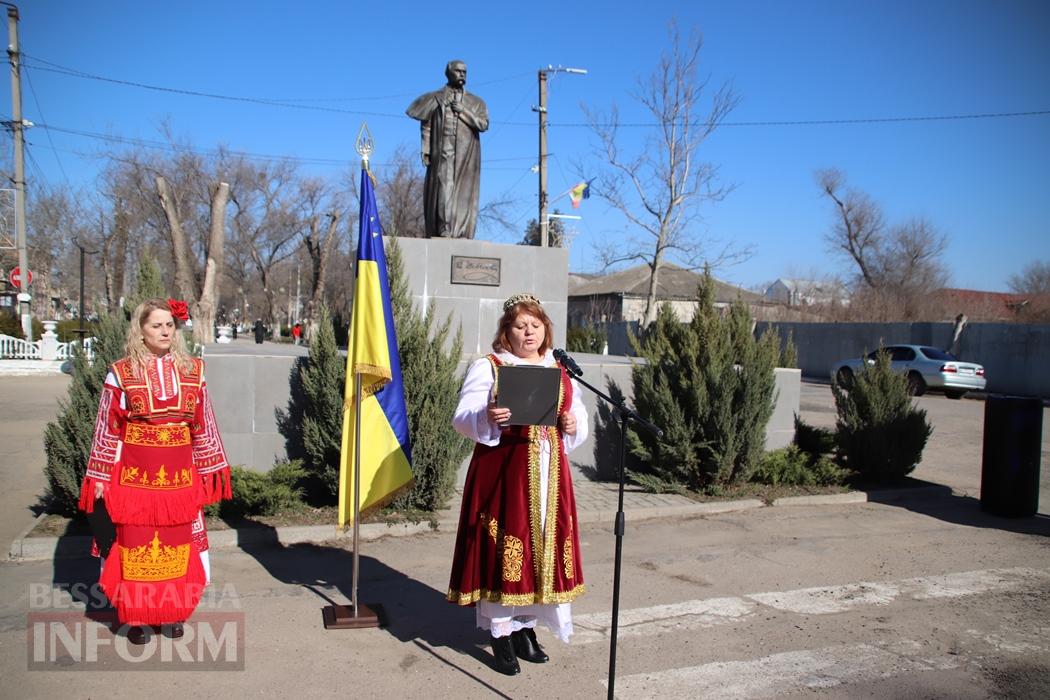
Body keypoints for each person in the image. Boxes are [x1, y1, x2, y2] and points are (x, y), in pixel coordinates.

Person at [448, 293, 589, 676]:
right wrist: (488, 415)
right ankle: (500, 633)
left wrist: (573, 424)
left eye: (535, 325)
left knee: (541, 553)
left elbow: (575, 414)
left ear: (546, 330)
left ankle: (526, 628)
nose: (528, 333)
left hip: (549, 475)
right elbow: (462, 417)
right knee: (507, 551)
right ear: (506, 332)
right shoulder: (490, 366)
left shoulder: (558, 368)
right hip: (503, 472)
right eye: (519, 326)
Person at [78, 298, 232, 644]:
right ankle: (136, 618)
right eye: (156, 325)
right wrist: (100, 476)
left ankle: (172, 613)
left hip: (178, 478)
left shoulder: (194, 369)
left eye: (169, 325)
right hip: (135, 477)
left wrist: (209, 469)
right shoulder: (121, 371)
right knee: (137, 545)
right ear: (141, 330)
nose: (164, 331)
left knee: (178, 546)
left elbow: (203, 423)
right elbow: (107, 425)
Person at [406, 59, 489, 239]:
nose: (462, 74)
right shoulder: (436, 98)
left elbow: (483, 124)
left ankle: (460, 230)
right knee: (444, 186)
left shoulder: (476, 102)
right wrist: (426, 148)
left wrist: (463, 111)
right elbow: (426, 123)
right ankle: (444, 227)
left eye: (465, 72)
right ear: (449, 73)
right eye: (458, 71)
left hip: (466, 153)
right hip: (443, 148)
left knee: (463, 193)